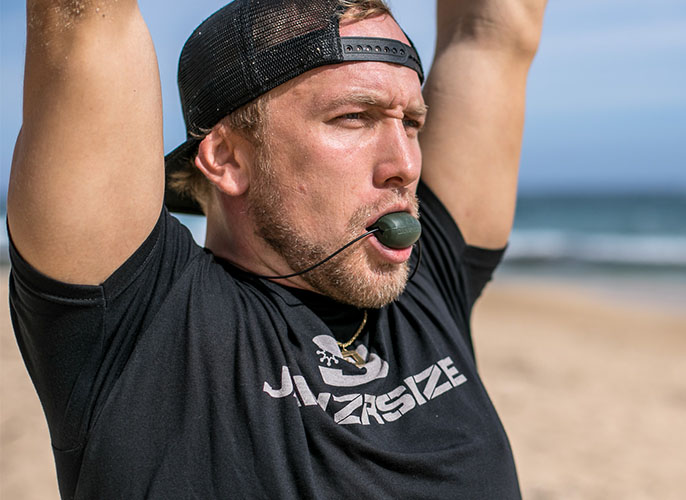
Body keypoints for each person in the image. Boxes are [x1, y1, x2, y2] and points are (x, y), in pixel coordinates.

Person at [7, 0, 546, 497]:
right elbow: (82, 19)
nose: (405, 164)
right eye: (353, 118)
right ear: (227, 159)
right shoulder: (137, 323)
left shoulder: (427, 286)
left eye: (411, 122)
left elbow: (495, 31)